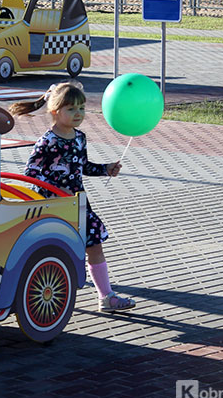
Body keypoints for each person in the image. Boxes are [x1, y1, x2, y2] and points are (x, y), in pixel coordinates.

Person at [9, 80, 136, 313]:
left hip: (78, 204)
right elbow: (31, 173)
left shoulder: (79, 138)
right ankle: (41, 292)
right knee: (53, 249)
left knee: (94, 243)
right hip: (54, 206)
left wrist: (106, 168)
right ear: (55, 111)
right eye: (71, 109)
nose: (78, 113)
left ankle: (106, 296)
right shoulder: (47, 142)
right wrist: (54, 190)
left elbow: (82, 166)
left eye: (82, 108)